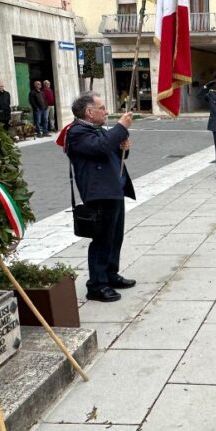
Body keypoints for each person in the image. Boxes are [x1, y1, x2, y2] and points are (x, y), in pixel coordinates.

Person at [66, 92, 136, 303]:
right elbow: (99, 147)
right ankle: (96, 285)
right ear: (89, 112)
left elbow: (110, 150)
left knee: (115, 237)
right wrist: (121, 127)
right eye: (102, 108)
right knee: (102, 239)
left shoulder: (96, 129)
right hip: (99, 192)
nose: (106, 111)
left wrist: (123, 147)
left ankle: (110, 274)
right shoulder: (77, 132)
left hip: (113, 188)